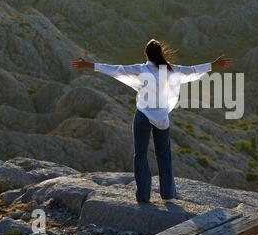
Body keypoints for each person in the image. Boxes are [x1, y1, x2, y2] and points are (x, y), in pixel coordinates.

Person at [72, 39, 232, 204]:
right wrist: (214, 64)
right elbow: (192, 71)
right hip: (162, 119)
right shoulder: (172, 70)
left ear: (146, 54)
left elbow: (116, 70)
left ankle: (143, 196)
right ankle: (168, 195)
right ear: (161, 54)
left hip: (143, 115)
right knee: (164, 156)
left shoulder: (141, 69)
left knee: (140, 155)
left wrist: (88, 65)